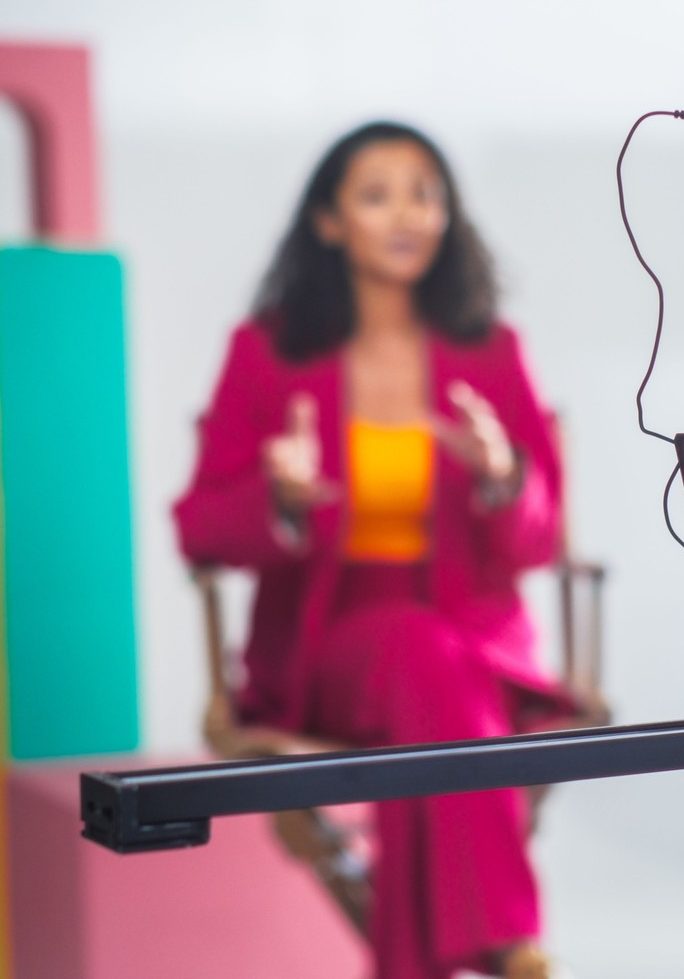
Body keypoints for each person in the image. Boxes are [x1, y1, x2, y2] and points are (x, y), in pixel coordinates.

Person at [172, 122, 571, 979]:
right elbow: (199, 526)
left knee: (432, 668)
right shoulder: (267, 354)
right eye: (377, 192)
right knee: (416, 651)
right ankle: (508, 941)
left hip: (476, 643)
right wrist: (274, 498)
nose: (409, 213)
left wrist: (503, 477)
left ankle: (416, 964)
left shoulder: (492, 353)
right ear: (328, 221)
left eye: (426, 191)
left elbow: (540, 541)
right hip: (326, 645)